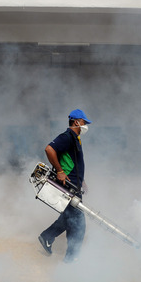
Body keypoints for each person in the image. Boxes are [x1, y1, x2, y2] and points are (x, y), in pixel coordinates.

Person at [38, 108, 91, 263]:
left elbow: (74, 162)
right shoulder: (67, 137)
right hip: (68, 186)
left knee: (69, 218)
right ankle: (71, 259)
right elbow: (49, 149)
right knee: (78, 223)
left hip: (75, 184)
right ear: (76, 122)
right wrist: (60, 171)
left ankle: (47, 236)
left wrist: (82, 180)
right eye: (84, 122)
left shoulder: (76, 139)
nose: (85, 125)